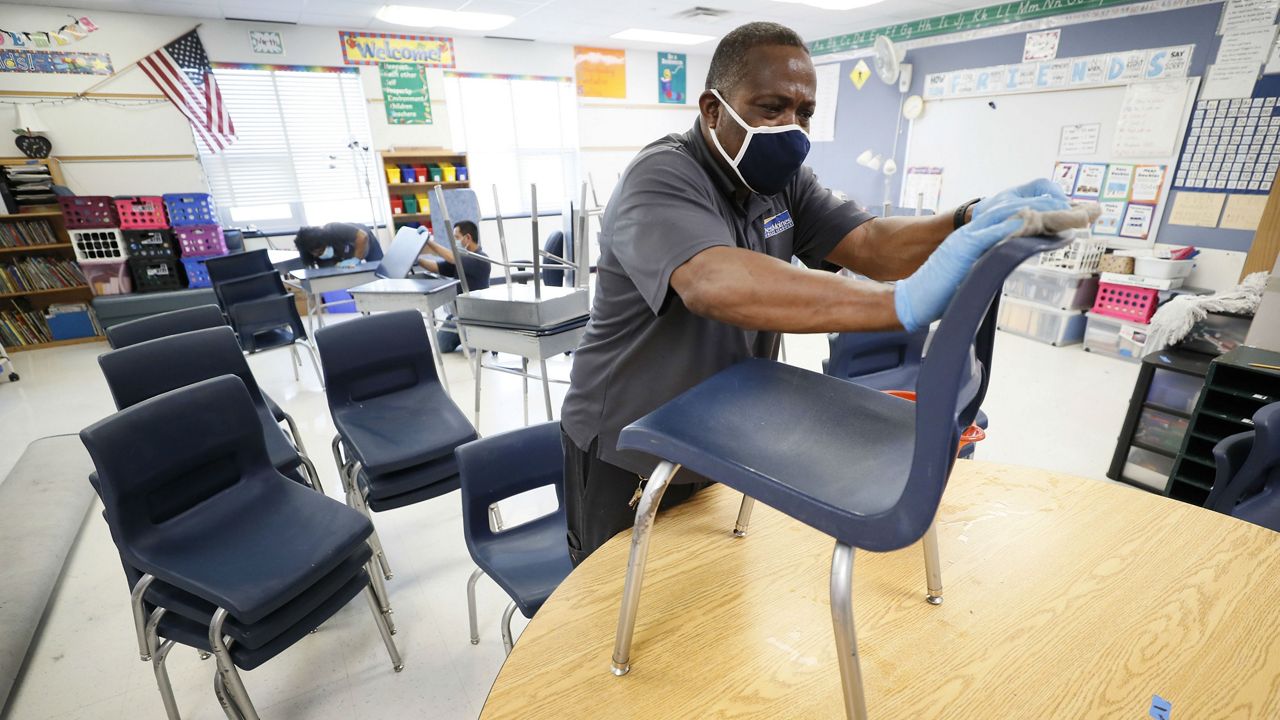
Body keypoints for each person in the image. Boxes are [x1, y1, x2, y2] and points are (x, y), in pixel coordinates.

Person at [558, 21, 1073, 566]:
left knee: (696, 592)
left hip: (713, 430)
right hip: (625, 443)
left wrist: (964, 220)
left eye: (804, 112)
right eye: (772, 107)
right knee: (608, 604)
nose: (791, 126)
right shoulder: (662, 175)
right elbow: (712, 281)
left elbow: (871, 243)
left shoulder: (783, 181)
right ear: (713, 110)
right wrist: (898, 304)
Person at [418, 220, 492, 352]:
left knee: (477, 344)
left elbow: (453, 257)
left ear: (468, 238)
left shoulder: (481, 258)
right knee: (441, 345)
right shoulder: (460, 259)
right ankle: (467, 337)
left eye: (456, 238)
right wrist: (416, 259)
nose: (453, 242)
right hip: (458, 314)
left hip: (476, 315)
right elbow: (436, 267)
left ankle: (478, 337)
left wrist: (428, 241)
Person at [295, 222, 383, 268]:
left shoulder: (334, 229)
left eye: (321, 251)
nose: (321, 254)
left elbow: (362, 237)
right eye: (317, 254)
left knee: (380, 268)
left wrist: (356, 259)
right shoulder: (310, 253)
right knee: (333, 271)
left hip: (365, 239)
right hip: (345, 250)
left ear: (324, 241)